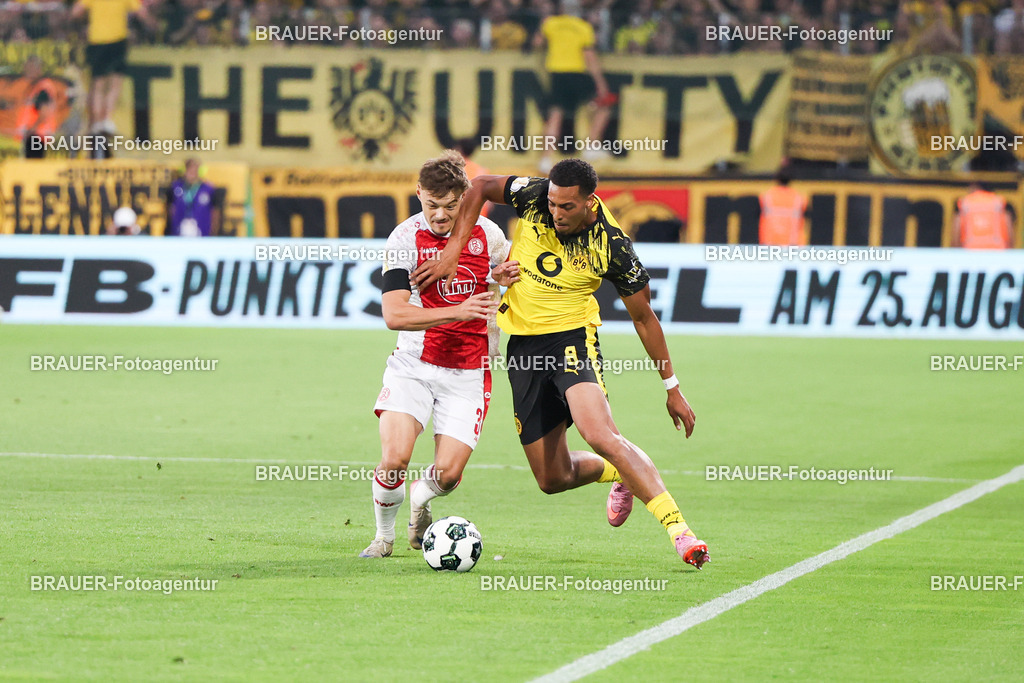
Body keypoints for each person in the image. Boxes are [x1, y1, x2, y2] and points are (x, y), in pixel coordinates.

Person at [412, 159, 709, 569]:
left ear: (590, 202)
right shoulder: (534, 195)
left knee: (598, 432)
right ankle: (618, 472)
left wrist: (671, 387)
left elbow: (645, 319)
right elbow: (479, 186)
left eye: (566, 207)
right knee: (552, 479)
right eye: (552, 204)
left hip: (572, 341)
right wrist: (451, 253)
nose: (555, 213)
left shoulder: (613, 247)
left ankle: (681, 533)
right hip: (524, 349)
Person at [359, 151, 520, 559]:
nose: (441, 216)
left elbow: (504, 284)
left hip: (469, 369)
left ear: (466, 197)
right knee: (394, 458)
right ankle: (383, 538)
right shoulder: (404, 239)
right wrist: (458, 310)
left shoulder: (491, 236)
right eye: (432, 205)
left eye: (451, 206)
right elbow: (394, 314)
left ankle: (419, 501)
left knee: (447, 475)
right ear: (418, 195)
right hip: (413, 365)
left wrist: (501, 279)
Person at [533, 0, 615, 172]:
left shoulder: (550, 24)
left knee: (555, 114)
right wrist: (600, 83)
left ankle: (546, 158)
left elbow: (537, 43)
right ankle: (591, 145)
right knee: (603, 105)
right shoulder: (584, 27)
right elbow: (589, 56)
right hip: (577, 74)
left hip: (556, 75)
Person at [70, 0, 156, 135]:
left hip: (96, 39)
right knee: (116, 82)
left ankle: (97, 123)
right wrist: (153, 24)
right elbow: (141, 13)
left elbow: (76, 11)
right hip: (118, 40)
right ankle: (107, 120)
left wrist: (85, 24)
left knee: (98, 85)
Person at [165, 159, 221, 236]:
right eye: (189, 170)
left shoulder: (209, 189)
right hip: (178, 230)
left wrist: (213, 231)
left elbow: (215, 212)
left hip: (202, 231)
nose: (192, 173)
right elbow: (169, 209)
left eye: (195, 170)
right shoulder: (175, 187)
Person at [953, 182, 1014, 249]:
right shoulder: (998, 203)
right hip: (997, 253)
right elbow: (1010, 234)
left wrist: (957, 253)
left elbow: (956, 233)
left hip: (970, 252)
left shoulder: (966, 203)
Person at [758, 170, 808, 246]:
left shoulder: (767, 197)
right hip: (792, 244)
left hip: (770, 242)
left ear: (777, 179)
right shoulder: (799, 198)